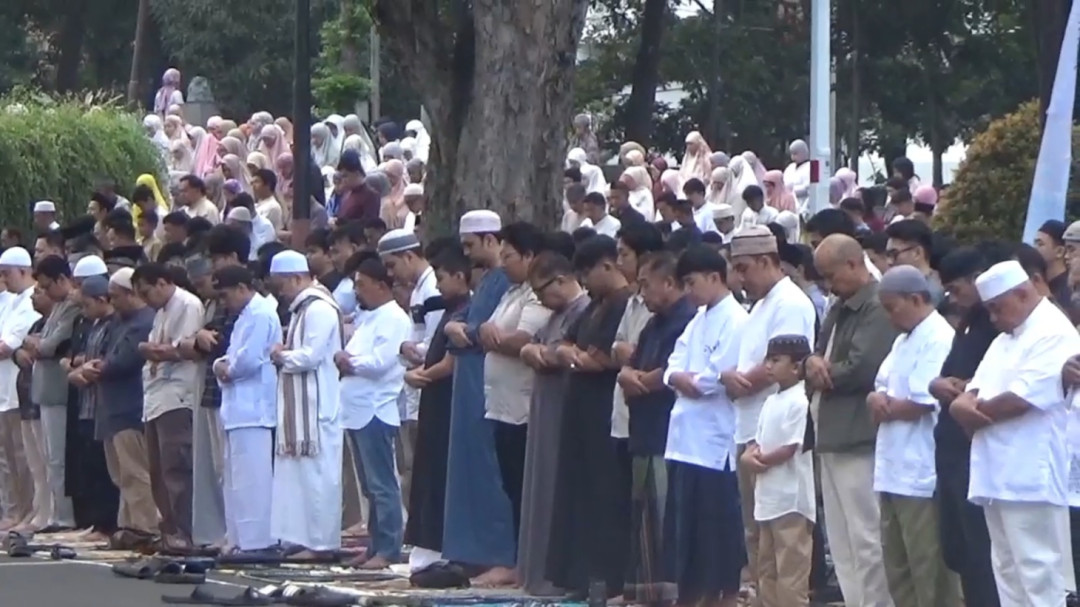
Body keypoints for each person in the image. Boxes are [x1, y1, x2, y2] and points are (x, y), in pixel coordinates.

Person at [947, 261, 1078, 605]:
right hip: (996, 471)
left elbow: (1022, 398)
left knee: (1038, 574)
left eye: (996, 308)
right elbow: (972, 390)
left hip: (1029, 472)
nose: (993, 318)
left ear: (1022, 293)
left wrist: (970, 412)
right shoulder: (1006, 338)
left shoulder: (1053, 330)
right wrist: (961, 406)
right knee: (1006, 571)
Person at [724, 226, 817, 597]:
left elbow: (784, 365)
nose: (740, 278)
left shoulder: (790, 303)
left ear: (767, 261)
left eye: (744, 268)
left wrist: (738, 380)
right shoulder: (760, 305)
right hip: (751, 431)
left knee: (786, 552)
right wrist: (729, 376)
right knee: (759, 545)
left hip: (777, 440)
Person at [805, 234, 896, 606]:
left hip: (858, 437)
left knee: (867, 538)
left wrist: (823, 374)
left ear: (853, 265)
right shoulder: (838, 306)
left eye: (832, 276)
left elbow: (863, 368)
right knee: (841, 541)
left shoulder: (875, 306)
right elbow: (816, 354)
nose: (829, 285)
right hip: (829, 434)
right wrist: (811, 364)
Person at [546, 235, 632, 598]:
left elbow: (610, 357)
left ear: (607, 266)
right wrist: (577, 355)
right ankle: (578, 576)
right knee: (577, 490)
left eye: (587, 272)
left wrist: (586, 357)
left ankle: (606, 579)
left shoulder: (624, 304)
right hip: (580, 403)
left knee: (604, 494)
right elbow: (568, 344)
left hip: (605, 407)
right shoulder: (592, 305)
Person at [664, 244, 747, 607]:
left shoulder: (736, 320)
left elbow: (719, 377)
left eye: (691, 281)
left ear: (715, 277)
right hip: (684, 438)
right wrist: (680, 378)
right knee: (688, 531)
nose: (688, 291)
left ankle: (721, 597)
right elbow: (672, 365)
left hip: (714, 443)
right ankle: (692, 595)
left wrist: (689, 381)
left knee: (716, 532)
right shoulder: (697, 319)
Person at [871, 266, 960, 607]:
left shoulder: (938, 336)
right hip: (892, 468)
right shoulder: (901, 340)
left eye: (893, 308)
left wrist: (885, 404)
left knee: (929, 570)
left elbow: (921, 403)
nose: (890, 317)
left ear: (916, 299)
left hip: (921, 473)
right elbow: (879, 388)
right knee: (898, 568)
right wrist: (877, 399)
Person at [474, 223, 552, 585]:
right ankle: (516, 558)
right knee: (509, 485)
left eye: (509, 256)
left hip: (523, 406)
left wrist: (493, 338)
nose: (503, 263)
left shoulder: (536, 296)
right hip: (500, 404)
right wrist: (489, 336)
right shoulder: (511, 292)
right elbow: (487, 330)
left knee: (524, 486)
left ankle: (527, 563)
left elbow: (520, 339)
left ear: (529, 256)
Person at [442, 210, 516, 577]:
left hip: (487, 385)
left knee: (490, 470)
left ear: (491, 240)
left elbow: (492, 331)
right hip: (470, 382)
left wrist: (465, 333)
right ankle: (474, 552)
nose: (468, 254)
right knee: (470, 467)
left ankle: (500, 555)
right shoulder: (488, 280)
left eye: (472, 245)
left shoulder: (504, 281)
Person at [618, 251, 695, 604]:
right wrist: (630, 376)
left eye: (646, 285)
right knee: (643, 514)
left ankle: (674, 593)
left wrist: (640, 379)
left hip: (669, 430)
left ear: (668, 283)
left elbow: (668, 373)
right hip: (643, 429)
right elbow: (630, 366)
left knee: (668, 515)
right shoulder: (653, 323)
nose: (642, 293)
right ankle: (645, 591)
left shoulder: (687, 320)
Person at [928, 247, 1001, 607]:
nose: (953, 299)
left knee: (981, 554)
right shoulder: (970, 320)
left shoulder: (997, 322)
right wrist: (939, 385)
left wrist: (966, 387)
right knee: (957, 549)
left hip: (977, 449)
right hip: (950, 446)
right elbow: (946, 371)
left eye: (956, 289)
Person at [517, 251, 592, 595]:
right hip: (545, 407)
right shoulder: (555, 316)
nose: (542, 300)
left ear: (562, 280)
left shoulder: (584, 309)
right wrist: (532, 352)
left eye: (543, 290)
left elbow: (567, 353)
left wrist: (545, 354)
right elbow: (537, 346)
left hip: (567, 408)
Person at [268, 250, 346, 557]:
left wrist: (280, 355)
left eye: (282, 285)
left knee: (318, 478)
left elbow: (310, 356)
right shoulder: (302, 309)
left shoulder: (319, 309)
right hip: (301, 407)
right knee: (297, 477)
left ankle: (321, 543)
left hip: (317, 405)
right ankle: (299, 539)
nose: (281, 293)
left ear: (298, 278)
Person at [337, 255, 412, 568]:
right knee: (369, 485)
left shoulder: (394, 318)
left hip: (375, 410)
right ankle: (375, 543)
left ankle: (389, 547)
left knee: (382, 484)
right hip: (356, 410)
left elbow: (383, 362)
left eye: (362, 285)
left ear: (382, 286)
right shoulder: (369, 317)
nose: (357, 291)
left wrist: (349, 362)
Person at [403, 249, 471, 574]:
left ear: (460, 276)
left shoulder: (467, 309)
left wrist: (421, 376)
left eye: (442, 279)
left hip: (448, 402)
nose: (439, 286)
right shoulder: (449, 310)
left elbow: (451, 362)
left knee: (439, 471)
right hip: (434, 400)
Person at [209, 265, 281, 554]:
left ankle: (257, 541)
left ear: (242, 288)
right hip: (237, 408)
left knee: (254, 480)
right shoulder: (243, 317)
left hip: (255, 409)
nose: (225, 303)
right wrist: (220, 366)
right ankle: (237, 539)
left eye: (226, 295)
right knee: (235, 479)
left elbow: (247, 360)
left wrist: (228, 368)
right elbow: (227, 357)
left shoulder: (262, 313)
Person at [133, 262, 204, 551]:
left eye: (147, 292)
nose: (146, 300)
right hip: (156, 396)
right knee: (157, 468)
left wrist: (150, 350)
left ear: (163, 282)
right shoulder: (160, 311)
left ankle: (184, 531)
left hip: (178, 395)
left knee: (176, 466)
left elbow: (182, 349)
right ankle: (169, 528)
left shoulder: (187, 305)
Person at [745, 335, 815, 607]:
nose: (768, 366)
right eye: (767, 360)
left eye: (776, 360)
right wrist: (749, 456)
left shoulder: (801, 400)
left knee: (791, 572)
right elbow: (756, 441)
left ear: (797, 367)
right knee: (767, 569)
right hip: (767, 500)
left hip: (791, 501)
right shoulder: (771, 401)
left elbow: (790, 446)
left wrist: (762, 460)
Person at [378, 229, 444, 508]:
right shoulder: (419, 290)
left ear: (409, 256)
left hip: (429, 384)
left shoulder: (432, 289)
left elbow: (435, 343)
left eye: (392, 265)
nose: (391, 275)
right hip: (415, 385)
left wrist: (410, 351)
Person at [96, 268, 157, 546]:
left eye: (116, 296)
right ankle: (130, 525)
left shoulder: (144, 321)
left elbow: (122, 361)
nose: (112, 302)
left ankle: (145, 528)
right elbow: (104, 356)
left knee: (135, 472)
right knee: (120, 474)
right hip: (112, 406)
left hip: (131, 406)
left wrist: (95, 369)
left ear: (131, 293)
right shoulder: (119, 321)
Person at [24, 255, 80, 533]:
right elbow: (37, 342)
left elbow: (49, 345)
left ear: (62, 280)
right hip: (46, 390)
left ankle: (64, 516)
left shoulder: (71, 306)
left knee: (59, 457)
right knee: (49, 458)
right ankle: (56, 513)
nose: (44, 293)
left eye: (47, 286)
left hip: (59, 391)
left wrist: (37, 344)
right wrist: (36, 343)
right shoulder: (58, 307)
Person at [611, 223, 665, 470]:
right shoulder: (632, 300)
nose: (618, 262)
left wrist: (630, 358)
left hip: (651, 421)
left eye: (624, 254)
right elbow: (617, 346)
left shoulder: (661, 308)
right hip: (623, 412)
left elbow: (646, 360)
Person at [0, 248, 40, 532]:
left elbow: (6, 346)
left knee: (21, 458)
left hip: (17, 390)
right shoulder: (11, 302)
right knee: (8, 460)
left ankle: (26, 511)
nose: (3, 279)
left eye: (7, 273)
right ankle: (13, 510)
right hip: (4, 391)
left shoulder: (29, 303)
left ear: (24, 271)